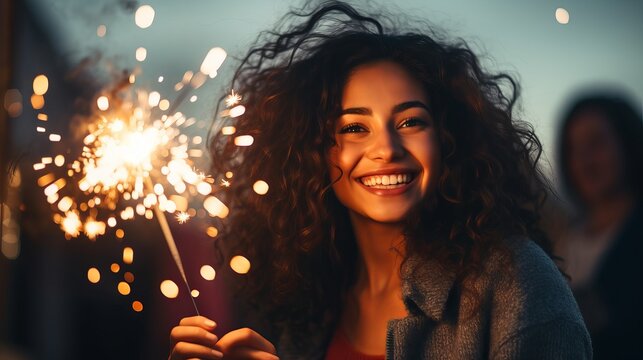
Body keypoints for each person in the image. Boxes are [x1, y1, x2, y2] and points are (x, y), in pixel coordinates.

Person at [169, 2, 591, 359]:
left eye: (410, 121)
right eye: (354, 127)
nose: (386, 148)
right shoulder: (298, 296)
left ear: (449, 139)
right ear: (312, 152)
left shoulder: (516, 283)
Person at [555, 93, 643, 359]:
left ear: (628, 143)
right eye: (574, 148)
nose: (585, 160)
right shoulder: (562, 239)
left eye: (597, 143)